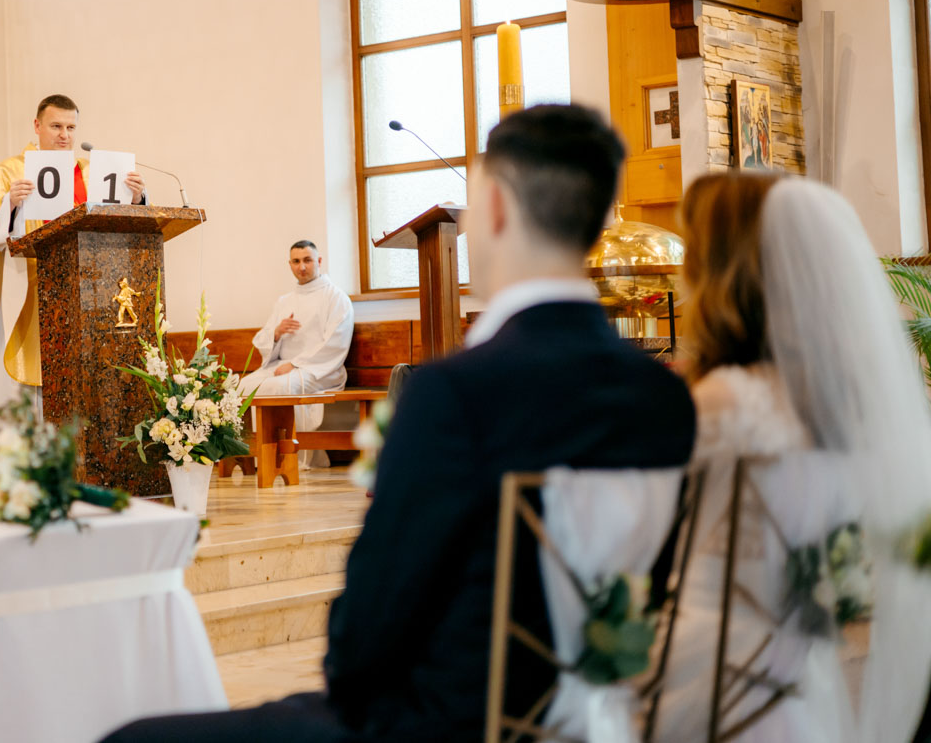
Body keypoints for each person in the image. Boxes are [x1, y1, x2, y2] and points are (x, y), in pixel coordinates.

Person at [98, 104, 696, 743]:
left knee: (134, 738)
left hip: (443, 720)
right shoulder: (666, 399)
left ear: (494, 210)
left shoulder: (454, 395)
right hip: (597, 717)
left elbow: (365, 636)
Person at [654, 172, 931, 743]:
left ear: (722, 272)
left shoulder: (727, 400)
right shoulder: (838, 408)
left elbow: (641, 537)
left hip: (704, 668)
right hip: (786, 673)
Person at [0, 95, 145, 410]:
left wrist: (137, 199)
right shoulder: (12, 171)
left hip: (90, 295)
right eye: (56, 126)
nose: (64, 135)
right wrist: (9, 202)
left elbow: (116, 222)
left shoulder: (92, 172)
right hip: (31, 292)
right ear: (37, 126)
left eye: (70, 128)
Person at [240, 240, 353, 469]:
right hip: (283, 366)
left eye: (307, 260)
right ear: (290, 264)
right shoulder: (285, 301)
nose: (302, 267)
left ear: (318, 261)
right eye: (296, 261)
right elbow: (263, 338)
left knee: (280, 387)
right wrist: (276, 333)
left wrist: (296, 364)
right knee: (243, 386)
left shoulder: (335, 297)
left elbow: (335, 343)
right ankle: (258, 456)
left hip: (321, 369)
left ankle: (288, 458)